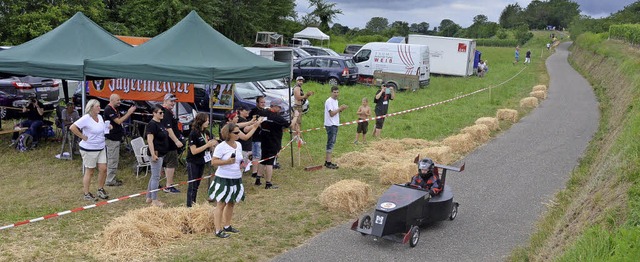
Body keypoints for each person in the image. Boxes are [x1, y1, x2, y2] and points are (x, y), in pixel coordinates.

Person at [208, 123, 246, 238]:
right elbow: (213, 162)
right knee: (221, 203)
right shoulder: (221, 146)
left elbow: (238, 159)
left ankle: (227, 225)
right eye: (236, 132)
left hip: (236, 177)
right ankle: (218, 229)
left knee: (231, 202)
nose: (238, 134)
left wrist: (243, 164)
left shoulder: (238, 145)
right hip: (224, 178)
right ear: (228, 134)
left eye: (239, 132)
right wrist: (227, 162)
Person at [69, 99, 110, 201]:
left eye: (99, 106)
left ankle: (100, 189)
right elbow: (72, 127)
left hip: (101, 147)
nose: (99, 108)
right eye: (97, 106)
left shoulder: (100, 117)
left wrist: (108, 127)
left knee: (103, 168)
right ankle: (86, 193)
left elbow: (102, 129)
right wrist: (82, 136)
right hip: (89, 148)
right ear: (91, 107)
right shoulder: (86, 118)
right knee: (90, 171)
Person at [258, 98, 299, 189]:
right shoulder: (278, 118)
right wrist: (295, 116)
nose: (280, 109)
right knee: (270, 162)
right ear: (274, 106)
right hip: (273, 141)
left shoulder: (263, 112)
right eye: (279, 107)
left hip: (264, 138)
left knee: (263, 159)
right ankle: (268, 183)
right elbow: (290, 125)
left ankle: (258, 179)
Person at [186, 113, 218, 207]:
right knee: (192, 185)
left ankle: (194, 203)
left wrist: (213, 144)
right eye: (207, 120)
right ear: (201, 121)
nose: (208, 122)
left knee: (197, 185)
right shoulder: (193, 133)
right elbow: (194, 151)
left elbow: (213, 140)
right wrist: (207, 145)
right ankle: (189, 206)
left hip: (202, 160)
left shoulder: (206, 132)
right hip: (193, 161)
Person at [103, 94, 136, 187]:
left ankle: (112, 178)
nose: (119, 102)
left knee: (114, 159)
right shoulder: (108, 109)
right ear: (112, 100)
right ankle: (110, 180)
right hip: (111, 138)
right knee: (112, 159)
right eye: (118, 100)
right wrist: (129, 113)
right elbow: (119, 121)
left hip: (116, 138)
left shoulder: (115, 108)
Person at [145, 104, 169, 207]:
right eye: (160, 112)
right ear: (154, 113)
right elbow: (150, 140)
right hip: (156, 153)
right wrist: (153, 153)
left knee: (154, 176)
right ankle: (154, 200)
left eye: (163, 112)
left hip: (162, 152)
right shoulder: (152, 124)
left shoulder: (161, 123)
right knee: (156, 177)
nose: (162, 114)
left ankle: (149, 197)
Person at [160, 93, 184, 193]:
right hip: (169, 143)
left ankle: (161, 183)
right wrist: (176, 141)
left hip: (166, 143)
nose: (173, 103)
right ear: (165, 101)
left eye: (174, 101)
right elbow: (168, 129)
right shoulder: (166, 112)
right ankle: (169, 186)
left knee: (165, 164)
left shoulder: (166, 112)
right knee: (171, 164)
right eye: (171, 101)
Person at [324, 86, 347, 169]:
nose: (336, 94)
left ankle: (327, 161)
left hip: (335, 123)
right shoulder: (329, 101)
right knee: (331, 142)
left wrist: (341, 109)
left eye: (337, 92)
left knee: (332, 142)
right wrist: (340, 108)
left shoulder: (336, 101)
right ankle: (328, 162)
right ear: (331, 92)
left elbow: (336, 112)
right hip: (331, 124)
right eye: (334, 92)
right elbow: (331, 113)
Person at [249, 96, 267, 185]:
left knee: (260, 154)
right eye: (261, 102)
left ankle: (259, 171)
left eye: (264, 102)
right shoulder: (254, 111)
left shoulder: (265, 111)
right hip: (256, 136)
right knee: (256, 154)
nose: (263, 104)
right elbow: (252, 122)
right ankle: (254, 172)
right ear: (257, 103)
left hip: (263, 136)